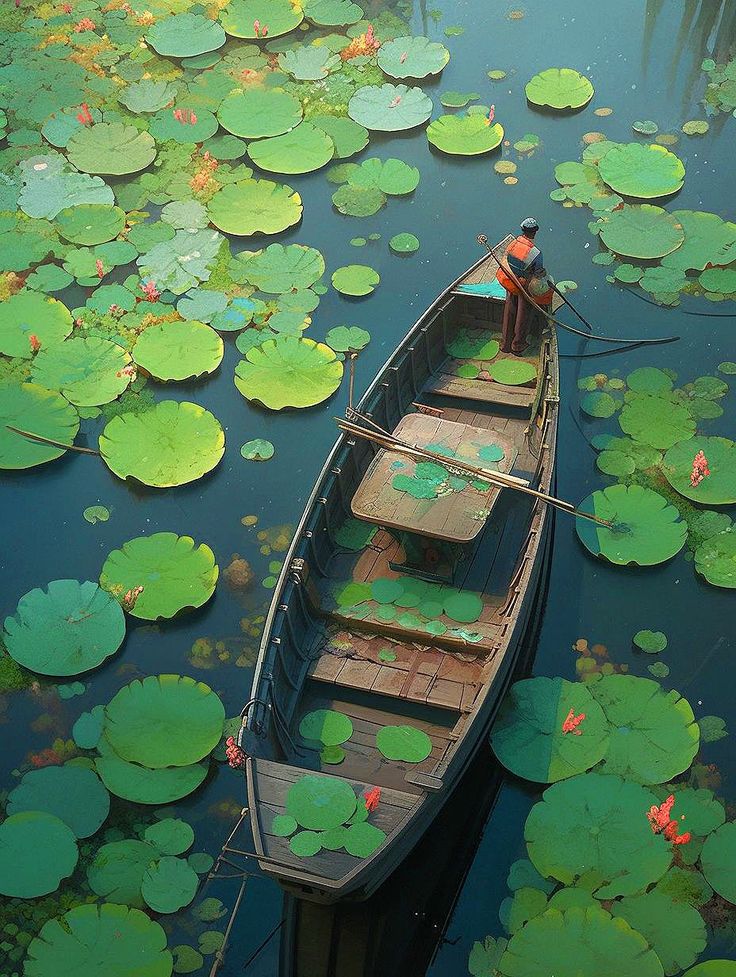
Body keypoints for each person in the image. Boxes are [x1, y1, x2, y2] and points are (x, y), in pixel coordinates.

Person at [496, 218, 545, 355]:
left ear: (522, 230)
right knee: (523, 315)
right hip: (523, 287)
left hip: (510, 283)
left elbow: (506, 260)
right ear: (534, 232)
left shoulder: (513, 244)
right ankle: (518, 345)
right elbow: (538, 273)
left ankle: (505, 345)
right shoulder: (536, 253)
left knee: (510, 311)